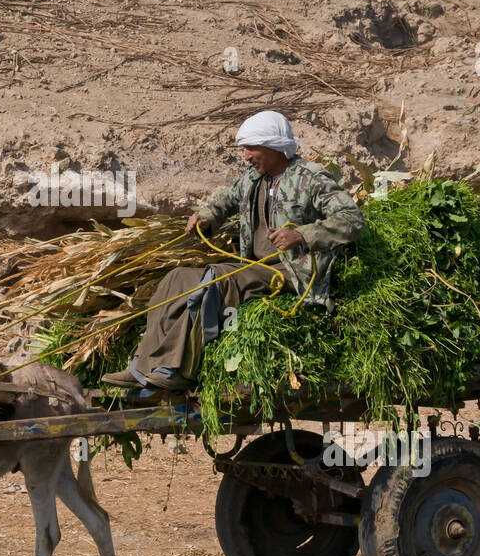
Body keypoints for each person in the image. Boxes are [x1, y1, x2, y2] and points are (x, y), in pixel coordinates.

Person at [100, 110, 363, 396]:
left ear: (274, 147)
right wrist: (206, 215)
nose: (246, 156)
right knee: (177, 277)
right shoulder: (252, 179)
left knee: (217, 279)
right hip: (253, 266)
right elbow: (225, 200)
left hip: (291, 273)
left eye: (252, 148)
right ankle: (140, 366)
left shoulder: (311, 178)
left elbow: (351, 220)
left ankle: (174, 369)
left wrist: (302, 234)